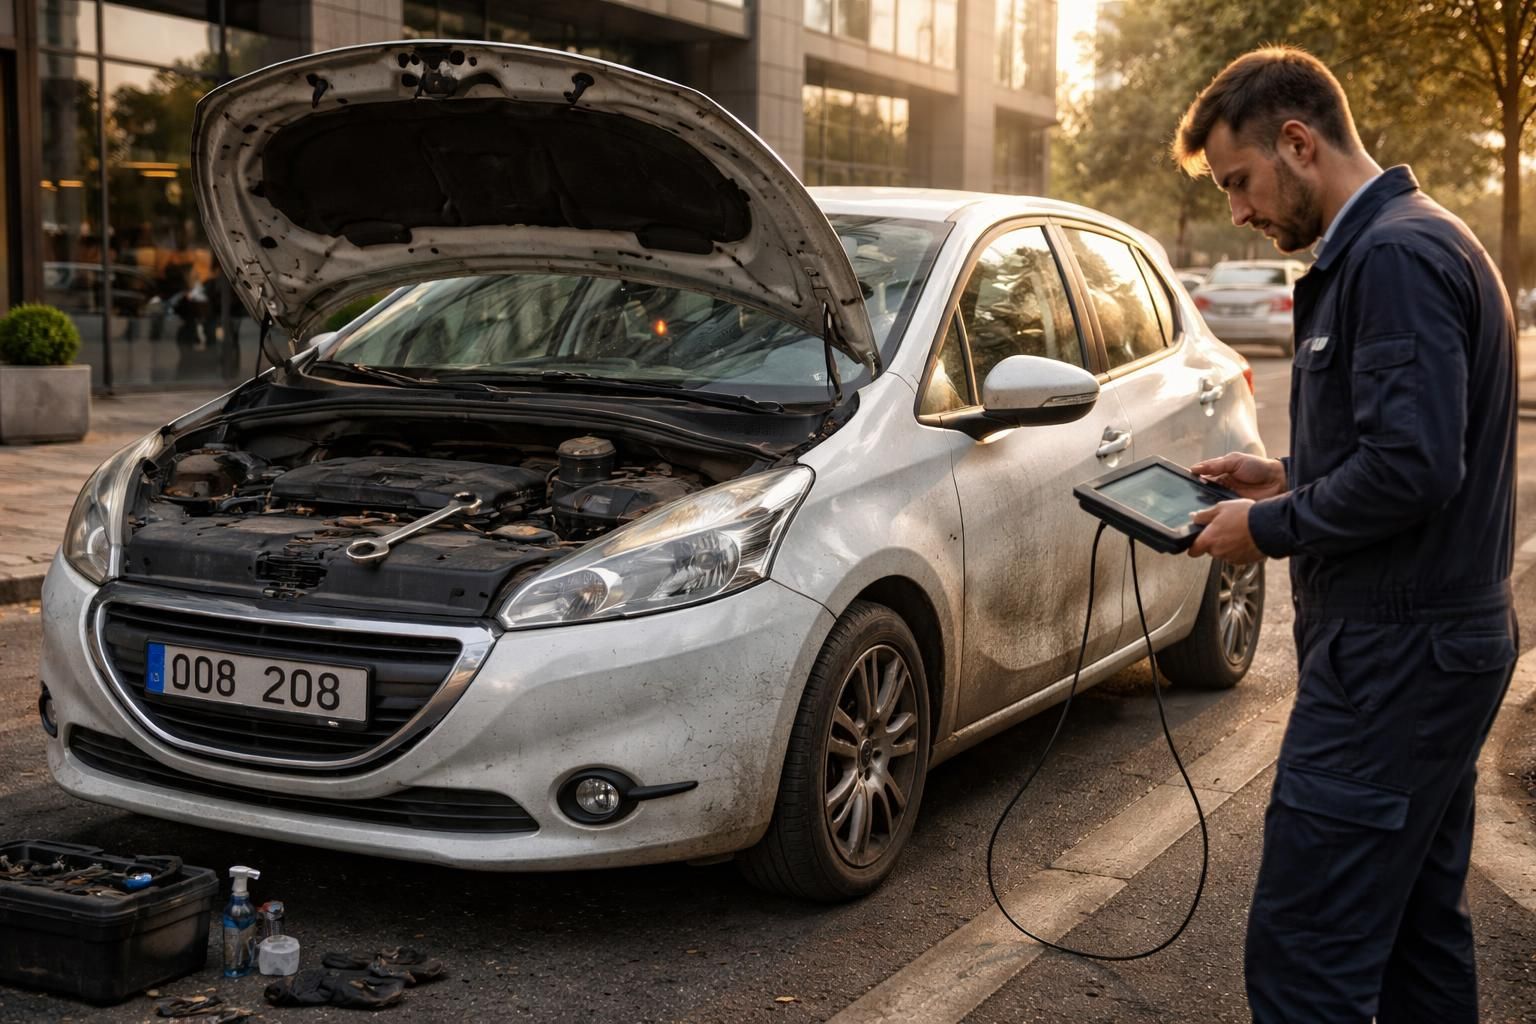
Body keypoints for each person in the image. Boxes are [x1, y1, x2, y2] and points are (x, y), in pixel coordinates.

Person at [1171, 47, 1517, 1023]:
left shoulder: (1394, 257)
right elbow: (1404, 445)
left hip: (1395, 664)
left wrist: (1268, 525)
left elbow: (1414, 467)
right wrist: (1286, 472)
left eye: (1239, 182)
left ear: (1298, 141)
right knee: (1414, 938)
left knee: (1305, 960)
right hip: (1425, 653)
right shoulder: (1407, 241)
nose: (1238, 211)